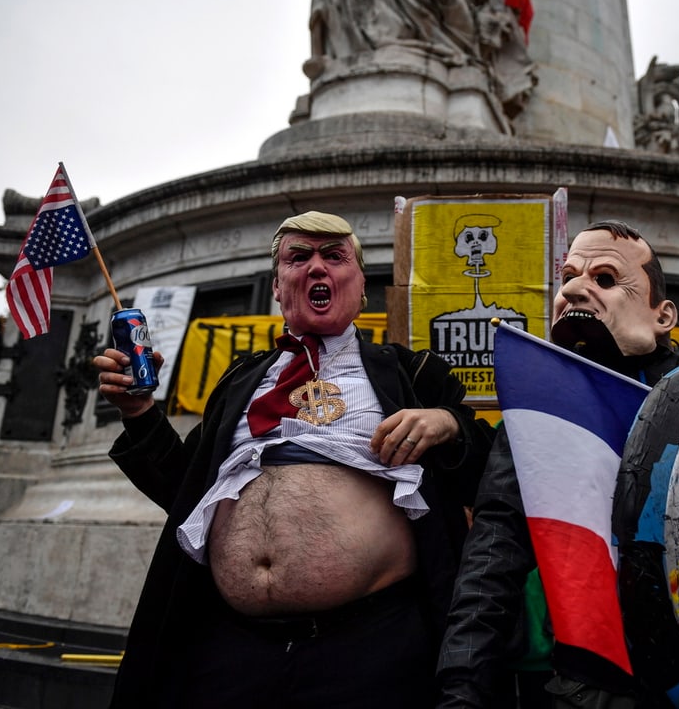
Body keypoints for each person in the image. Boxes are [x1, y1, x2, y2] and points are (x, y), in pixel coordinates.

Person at [94, 210, 495, 708]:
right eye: (298, 257)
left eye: (334, 256)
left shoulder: (412, 374)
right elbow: (183, 491)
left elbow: (489, 473)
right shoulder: (240, 383)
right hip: (232, 648)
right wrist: (138, 413)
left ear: (361, 286)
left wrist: (448, 424)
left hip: (371, 647)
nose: (317, 267)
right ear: (279, 288)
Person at [436, 219, 679, 708]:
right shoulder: (539, 413)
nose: (576, 289)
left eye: (604, 279)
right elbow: (491, 559)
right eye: (569, 277)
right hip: (595, 685)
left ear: (662, 316)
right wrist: (461, 690)